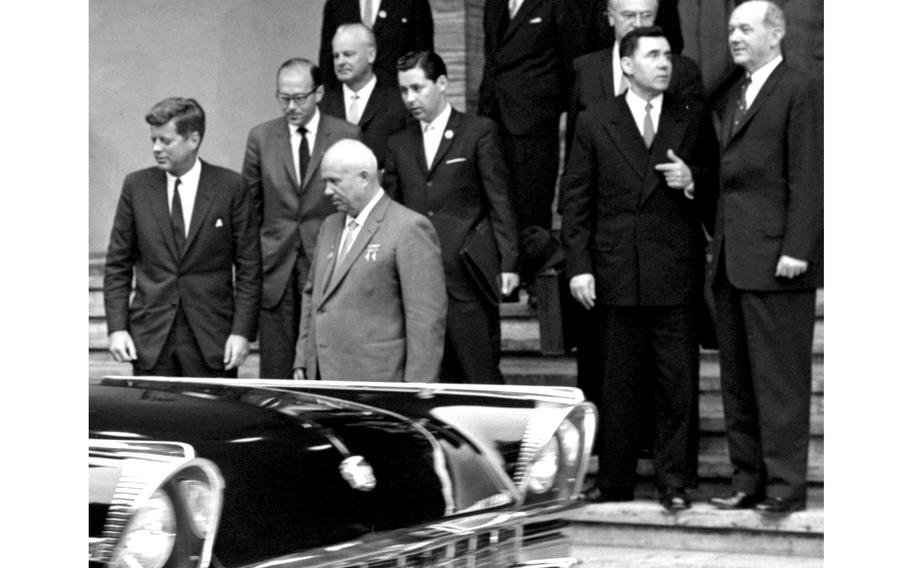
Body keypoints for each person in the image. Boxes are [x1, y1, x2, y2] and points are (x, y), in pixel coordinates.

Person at [559, 26, 718, 511]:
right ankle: (614, 482)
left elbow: (717, 186)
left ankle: (674, 482)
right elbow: (576, 201)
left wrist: (693, 180)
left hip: (674, 271)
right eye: (652, 55)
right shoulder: (594, 120)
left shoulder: (690, 115)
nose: (664, 63)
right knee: (617, 384)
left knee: (676, 383)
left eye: (667, 55)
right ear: (627, 65)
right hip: (613, 273)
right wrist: (578, 267)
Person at [708, 0, 822, 515]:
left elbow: (809, 174)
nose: (734, 36)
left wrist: (798, 248)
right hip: (734, 261)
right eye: (731, 28)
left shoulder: (799, 87)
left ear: (775, 34)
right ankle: (747, 479)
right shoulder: (735, 94)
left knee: (779, 383)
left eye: (745, 28)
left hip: (779, 262)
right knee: (739, 382)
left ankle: (783, 486)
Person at [384, 51, 520, 383]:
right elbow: (392, 212)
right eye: (404, 91)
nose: (410, 98)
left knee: (479, 374)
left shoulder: (478, 132)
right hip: (418, 280)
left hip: (468, 275)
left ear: (442, 83)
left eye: (418, 88)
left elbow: (498, 200)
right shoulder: (399, 144)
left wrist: (508, 263)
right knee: (430, 379)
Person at [104, 97, 261, 378]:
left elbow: (250, 267)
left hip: (213, 341)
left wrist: (241, 333)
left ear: (193, 140)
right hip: (151, 341)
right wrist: (117, 328)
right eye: (153, 139)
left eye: (165, 140)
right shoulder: (136, 187)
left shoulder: (231, 187)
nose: (156, 148)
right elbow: (118, 264)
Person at [241, 58, 360, 379]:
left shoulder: (346, 134)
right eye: (284, 98)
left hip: (327, 261)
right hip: (275, 266)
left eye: (300, 98)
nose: (291, 106)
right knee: (277, 368)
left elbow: (356, 205)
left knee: (325, 366)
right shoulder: (261, 138)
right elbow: (249, 209)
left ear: (319, 93)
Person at [292, 139, 447, 382]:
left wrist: (417, 389)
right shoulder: (329, 226)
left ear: (364, 178)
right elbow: (313, 296)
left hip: (378, 380)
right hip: (323, 377)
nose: (327, 191)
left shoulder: (409, 228)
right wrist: (303, 359)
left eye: (334, 181)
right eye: (325, 182)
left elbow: (425, 319)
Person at [478, 0, 579, 251]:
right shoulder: (495, 4)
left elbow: (571, 62)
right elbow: (492, 57)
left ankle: (535, 283)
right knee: (496, 203)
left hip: (533, 121)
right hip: (494, 115)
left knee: (531, 207)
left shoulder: (557, 4)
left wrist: (551, 108)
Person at [566, 0, 705, 157]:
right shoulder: (586, 69)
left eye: (646, 15)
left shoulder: (682, 71)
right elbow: (574, 149)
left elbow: (702, 150)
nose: (638, 24)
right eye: (628, 15)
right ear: (611, 17)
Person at [320, 23, 410, 169]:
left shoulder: (398, 104)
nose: (340, 62)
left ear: (371, 55)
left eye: (348, 54)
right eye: (336, 56)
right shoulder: (322, 104)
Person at [319, 0, 434, 89]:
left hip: (397, 98)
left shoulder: (413, 2)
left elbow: (424, 57)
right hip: (349, 99)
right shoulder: (336, 4)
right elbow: (327, 58)